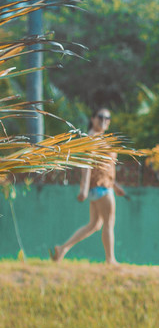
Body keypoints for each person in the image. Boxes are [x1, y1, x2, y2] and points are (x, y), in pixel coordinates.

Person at [51, 107, 125, 265]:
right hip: (101, 187)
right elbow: (86, 164)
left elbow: (104, 167)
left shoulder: (100, 138)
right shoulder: (92, 138)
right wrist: (83, 188)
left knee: (95, 224)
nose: (104, 120)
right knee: (108, 222)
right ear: (92, 119)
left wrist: (115, 185)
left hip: (104, 185)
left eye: (107, 118)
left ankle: (63, 248)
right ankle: (110, 259)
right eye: (101, 117)